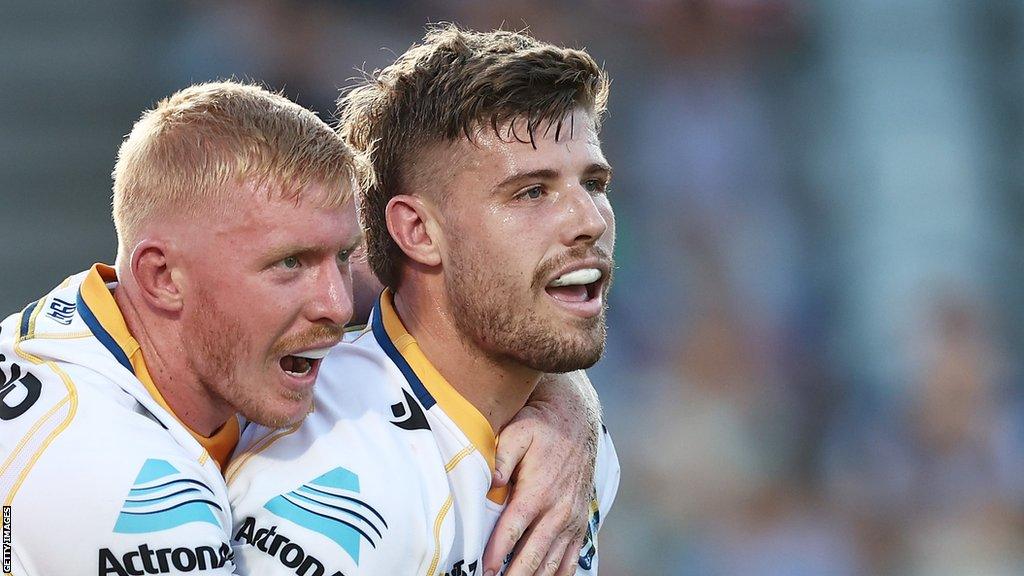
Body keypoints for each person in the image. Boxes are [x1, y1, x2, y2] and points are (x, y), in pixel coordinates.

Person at [1, 80, 598, 576]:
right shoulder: (127, 490)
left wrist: (563, 402)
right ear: (160, 277)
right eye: (288, 264)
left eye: (341, 257)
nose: (337, 306)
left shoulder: (104, 327)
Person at [227, 25, 619, 576]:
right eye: (532, 192)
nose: (589, 221)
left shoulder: (572, 440)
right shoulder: (327, 485)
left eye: (594, 183)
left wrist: (574, 409)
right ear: (418, 231)